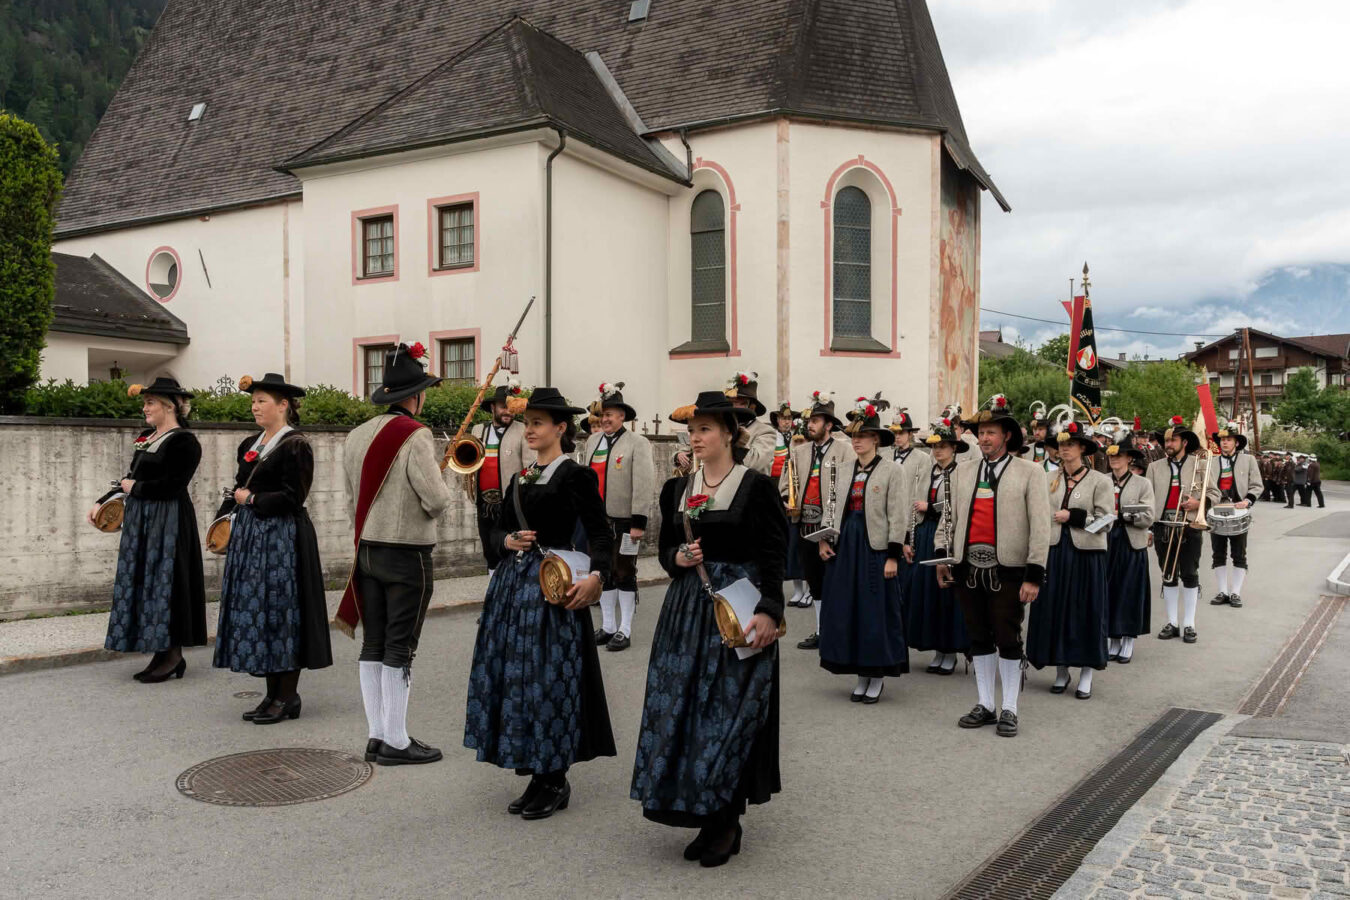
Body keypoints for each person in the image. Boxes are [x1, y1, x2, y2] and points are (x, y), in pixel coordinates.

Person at [632, 390, 786, 867]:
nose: (695, 438)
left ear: (728, 434)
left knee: (729, 712)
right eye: (692, 430)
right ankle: (700, 811)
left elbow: (775, 554)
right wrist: (676, 559)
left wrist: (770, 610)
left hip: (738, 608)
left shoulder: (755, 486)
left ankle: (725, 817)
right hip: (686, 611)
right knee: (682, 710)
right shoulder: (676, 489)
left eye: (704, 430)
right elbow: (663, 551)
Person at [464, 387, 614, 820]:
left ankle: (555, 776)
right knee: (517, 678)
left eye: (538, 423)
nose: (529, 430)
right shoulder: (521, 476)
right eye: (527, 423)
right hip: (514, 587)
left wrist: (598, 577)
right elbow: (496, 532)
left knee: (549, 678)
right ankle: (534, 771)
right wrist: (506, 540)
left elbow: (600, 533)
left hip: (554, 586)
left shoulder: (575, 475)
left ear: (560, 428)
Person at [340, 342, 455, 766]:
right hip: (406, 554)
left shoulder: (355, 435)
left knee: (373, 643)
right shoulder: (416, 434)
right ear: (416, 395)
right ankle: (397, 741)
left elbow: (353, 499)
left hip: (366, 551)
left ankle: (376, 735)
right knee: (400, 648)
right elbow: (437, 500)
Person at [213, 373, 333, 723]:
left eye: (262, 400)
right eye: (253, 401)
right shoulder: (251, 443)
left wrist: (252, 498)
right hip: (252, 537)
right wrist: (220, 524)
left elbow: (293, 497)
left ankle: (287, 696)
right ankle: (270, 695)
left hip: (283, 537)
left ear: (283, 405)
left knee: (283, 612)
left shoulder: (296, 444)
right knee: (260, 612)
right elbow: (237, 487)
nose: (255, 406)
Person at [935, 394, 1052, 738]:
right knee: (978, 638)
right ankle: (986, 704)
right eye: (980, 432)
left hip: (1010, 570)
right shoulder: (963, 471)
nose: (984, 438)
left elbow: (1041, 527)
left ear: (1007, 436)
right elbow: (949, 516)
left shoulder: (1030, 473)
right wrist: (943, 556)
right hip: (967, 567)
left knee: (1008, 639)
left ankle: (1010, 709)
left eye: (991, 432)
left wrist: (1034, 574)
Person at [93, 377, 207, 682]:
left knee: (166, 582)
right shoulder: (147, 437)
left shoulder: (184, 441)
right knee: (147, 581)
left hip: (168, 520)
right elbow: (129, 478)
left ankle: (172, 655)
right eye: (145, 403)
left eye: (150, 403)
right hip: (142, 519)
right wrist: (103, 502)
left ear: (168, 406)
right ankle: (160, 652)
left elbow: (173, 485)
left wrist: (137, 488)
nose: (145, 408)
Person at [817, 397, 909, 702]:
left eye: (862, 437)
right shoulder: (842, 469)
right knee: (848, 608)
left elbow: (898, 514)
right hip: (846, 547)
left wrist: (893, 555)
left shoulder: (892, 471)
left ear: (875, 440)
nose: (856, 442)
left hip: (875, 549)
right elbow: (831, 507)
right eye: (853, 437)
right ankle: (859, 672)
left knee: (875, 612)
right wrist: (824, 539)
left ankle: (876, 674)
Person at [1025, 421, 1113, 700]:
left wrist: (1073, 516)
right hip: (1055, 553)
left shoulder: (1101, 481)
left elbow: (1107, 522)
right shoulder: (1048, 477)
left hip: (1086, 556)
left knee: (1086, 611)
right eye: (1061, 445)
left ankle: (1086, 673)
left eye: (1070, 445)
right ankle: (1061, 669)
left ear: (1082, 449)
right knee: (1057, 610)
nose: (1064, 449)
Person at [779, 391, 856, 649]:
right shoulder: (799, 451)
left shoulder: (845, 451)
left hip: (834, 528)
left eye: (816, 420)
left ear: (829, 424)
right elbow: (784, 482)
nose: (809, 424)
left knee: (837, 582)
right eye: (809, 420)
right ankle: (823, 632)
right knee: (815, 583)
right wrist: (787, 498)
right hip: (805, 525)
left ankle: (841, 632)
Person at [584, 381, 655, 652]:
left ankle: (625, 629)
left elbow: (644, 483)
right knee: (603, 573)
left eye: (610, 414)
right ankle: (609, 626)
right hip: (597, 522)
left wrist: (639, 521)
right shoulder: (592, 441)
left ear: (622, 416)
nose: (605, 419)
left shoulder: (638, 443)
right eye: (602, 414)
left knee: (624, 573)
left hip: (625, 521)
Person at [903, 417, 970, 675]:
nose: (938, 450)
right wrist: (910, 537)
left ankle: (950, 650)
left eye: (943, 446)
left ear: (953, 448)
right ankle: (936, 647)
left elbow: (959, 504)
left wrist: (930, 507)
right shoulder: (929, 472)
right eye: (935, 446)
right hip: (925, 532)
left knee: (948, 593)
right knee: (927, 592)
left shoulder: (960, 473)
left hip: (949, 535)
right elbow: (914, 503)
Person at [1147, 415, 1218, 645]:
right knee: (1168, 575)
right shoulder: (1154, 467)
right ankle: (1172, 622)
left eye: (1173, 440)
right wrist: (1148, 528)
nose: (1168, 444)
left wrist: (1200, 504)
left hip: (1189, 525)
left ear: (1184, 442)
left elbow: (1215, 494)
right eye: (1166, 441)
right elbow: (1147, 499)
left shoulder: (1200, 464)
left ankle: (1189, 623)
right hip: (1163, 526)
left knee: (1189, 574)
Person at [471, 378, 534, 577]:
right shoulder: (477, 430)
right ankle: (493, 595)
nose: (507, 411)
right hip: (484, 504)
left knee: (512, 552)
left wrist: (523, 497)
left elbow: (531, 469)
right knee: (490, 551)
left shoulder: (523, 431)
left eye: (510, 407)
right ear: (492, 407)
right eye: (502, 407)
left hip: (511, 505)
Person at [1104, 433, 1154, 664]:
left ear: (1129, 459)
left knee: (1130, 591)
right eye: (1112, 455)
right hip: (1105, 542)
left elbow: (1148, 516)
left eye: (1119, 455)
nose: (1114, 459)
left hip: (1131, 542)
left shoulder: (1142, 484)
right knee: (1109, 590)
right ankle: (1112, 637)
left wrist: (1122, 516)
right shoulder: (1102, 481)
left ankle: (1128, 639)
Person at [676, 371, 777, 476]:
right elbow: (689, 447)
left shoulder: (766, 431)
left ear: (752, 407)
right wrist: (679, 455)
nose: (734, 406)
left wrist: (735, 437)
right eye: (731, 402)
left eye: (741, 403)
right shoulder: (721, 426)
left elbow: (754, 463)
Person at [1207, 420, 1262, 609]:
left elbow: (1257, 485)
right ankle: (1222, 591)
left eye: (1228, 439)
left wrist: (1247, 501)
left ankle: (1235, 592)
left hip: (1239, 511)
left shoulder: (1249, 460)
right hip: (1217, 511)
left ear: (1236, 442)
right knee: (1218, 553)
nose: (1224, 443)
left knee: (1239, 554)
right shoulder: (1211, 462)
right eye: (1222, 439)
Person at [772, 403, 812, 608]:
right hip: (786, 500)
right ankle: (797, 590)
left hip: (806, 500)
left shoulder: (801, 436)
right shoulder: (773, 438)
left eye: (789, 419)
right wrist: (785, 497)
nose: (786, 422)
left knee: (804, 546)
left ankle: (808, 590)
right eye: (783, 418)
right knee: (791, 546)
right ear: (777, 420)